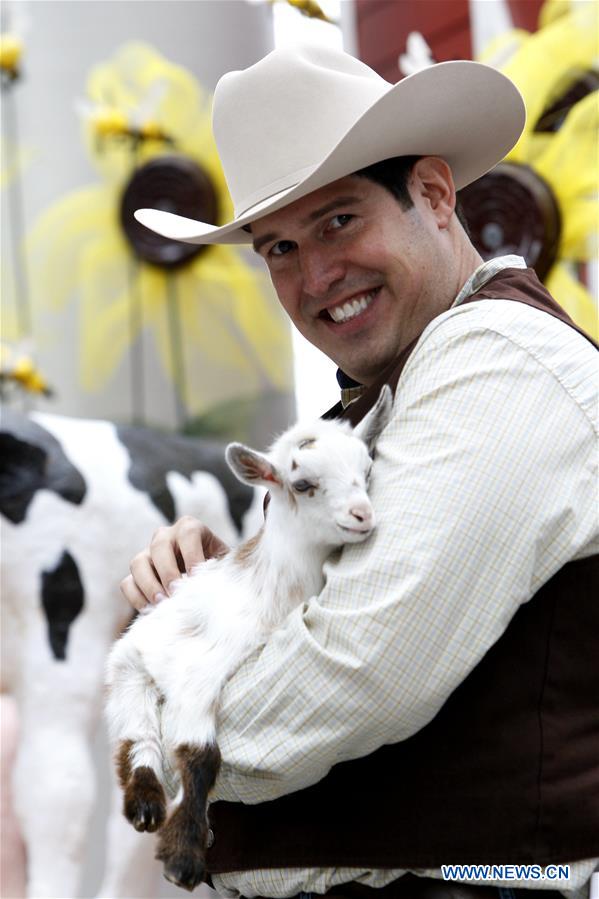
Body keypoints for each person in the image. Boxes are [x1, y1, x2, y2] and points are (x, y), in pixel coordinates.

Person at [123, 46, 598, 898]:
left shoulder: (497, 359)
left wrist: (156, 715)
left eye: (339, 221)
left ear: (435, 194)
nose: (314, 277)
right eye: (277, 247)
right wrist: (228, 583)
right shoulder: (391, 397)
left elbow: (359, 667)